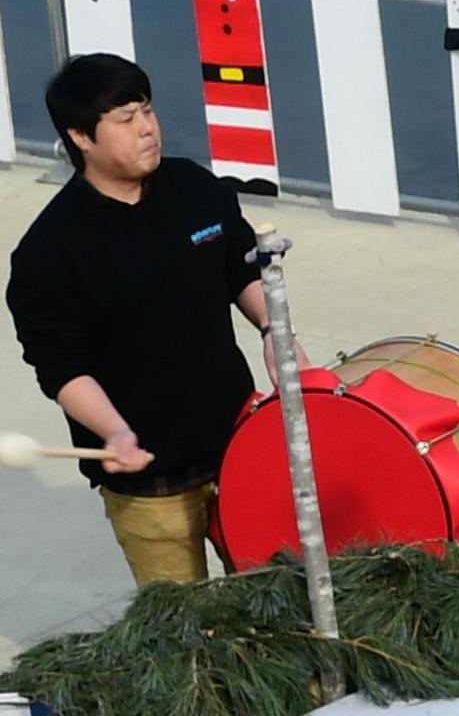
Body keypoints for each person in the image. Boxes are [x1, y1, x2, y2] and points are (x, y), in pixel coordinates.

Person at [5, 52, 269, 587]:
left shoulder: (194, 187)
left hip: (240, 442)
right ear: (81, 137)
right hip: (151, 478)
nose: (148, 129)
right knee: (186, 632)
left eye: (146, 110)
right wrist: (115, 431)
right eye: (125, 120)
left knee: (274, 594)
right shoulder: (48, 252)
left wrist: (273, 332)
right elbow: (63, 369)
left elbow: (241, 268)